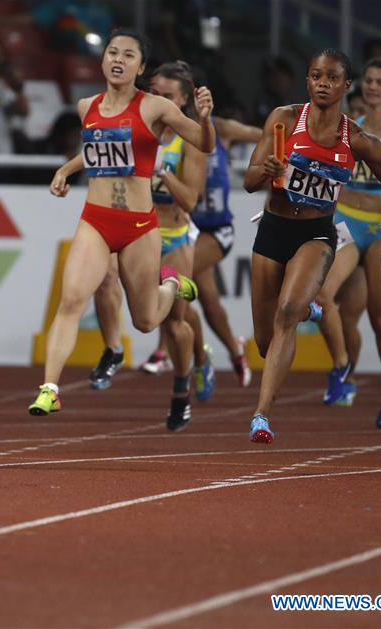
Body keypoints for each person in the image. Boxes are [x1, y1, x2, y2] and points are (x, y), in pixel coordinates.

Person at [27, 28, 215, 419]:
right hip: (95, 220)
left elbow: (205, 143)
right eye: (113, 52)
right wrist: (66, 167)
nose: (118, 59)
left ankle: (172, 284)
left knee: (146, 321)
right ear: (103, 59)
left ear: (141, 67)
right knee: (71, 300)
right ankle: (50, 388)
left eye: (129, 55)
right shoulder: (86, 106)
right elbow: (95, 150)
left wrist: (206, 117)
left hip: (138, 226)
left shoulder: (155, 109)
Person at [242, 49, 381, 445]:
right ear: (307, 81)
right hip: (272, 231)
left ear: (344, 86)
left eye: (332, 78)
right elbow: (249, 180)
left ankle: (261, 416)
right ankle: (309, 309)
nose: (323, 83)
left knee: (287, 312)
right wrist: (265, 171)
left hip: (317, 234)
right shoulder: (284, 119)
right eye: (316, 75)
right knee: (267, 342)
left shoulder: (357, 139)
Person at [314, 57, 381, 427]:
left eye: (380, 82)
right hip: (345, 220)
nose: (372, 87)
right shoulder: (348, 128)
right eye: (369, 80)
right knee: (322, 297)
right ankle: (342, 368)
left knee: (379, 319)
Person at [144, 60, 208, 429]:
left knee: (174, 322)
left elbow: (190, 201)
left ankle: (182, 391)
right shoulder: (141, 128)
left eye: (166, 96)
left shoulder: (189, 140)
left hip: (174, 240)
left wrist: (163, 173)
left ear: (182, 100)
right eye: (154, 93)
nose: (158, 101)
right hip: (139, 236)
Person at [184, 112, 262, 392]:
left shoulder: (222, 127)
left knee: (172, 285)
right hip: (187, 227)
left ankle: (199, 359)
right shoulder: (172, 129)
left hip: (216, 229)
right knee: (209, 303)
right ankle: (235, 349)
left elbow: (262, 135)